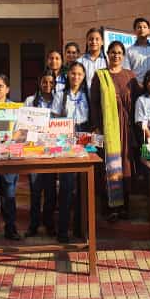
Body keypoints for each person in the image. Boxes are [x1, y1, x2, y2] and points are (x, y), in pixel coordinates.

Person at [90, 40, 139, 222]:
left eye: (119, 53)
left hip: (125, 129)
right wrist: (97, 127)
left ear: (123, 56)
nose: (116, 55)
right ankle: (109, 208)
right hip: (106, 129)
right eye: (112, 52)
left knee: (124, 167)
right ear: (107, 55)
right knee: (107, 167)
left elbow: (138, 103)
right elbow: (94, 103)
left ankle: (125, 207)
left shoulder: (130, 76)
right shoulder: (100, 76)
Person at [52, 61, 90, 243]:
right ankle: (62, 230)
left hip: (85, 136)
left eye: (79, 74)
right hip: (65, 136)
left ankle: (80, 228)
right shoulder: (61, 95)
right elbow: (54, 118)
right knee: (66, 186)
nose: (76, 77)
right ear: (68, 75)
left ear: (84, 77)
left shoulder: (88, 95)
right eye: (73, 73)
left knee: (84, 185)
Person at [0, 74, 22, 241]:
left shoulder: (15, 108)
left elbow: (18, 130)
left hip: (9, 155)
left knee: (9, 194)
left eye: (0, 86)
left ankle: (10, 229)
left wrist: (9, 141)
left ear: (7, 89)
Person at [24, 73, 57, 237]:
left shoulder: (59, 100)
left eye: (51, 82)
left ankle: (49, 223)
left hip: (52, 150)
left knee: (50, 190)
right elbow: (24, 123)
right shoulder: (30, 101)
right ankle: (34, 224)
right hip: (34, 149)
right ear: (39, 82)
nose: (47, 84)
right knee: (35, 189)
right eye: (44, 81)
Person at [124, 17, 150, 84]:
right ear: (134, 31)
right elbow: (127, 72)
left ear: (149, 30)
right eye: (139, 27)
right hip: (136, 87)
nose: (142, 29)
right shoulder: (129, 51)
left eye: (145, 27)